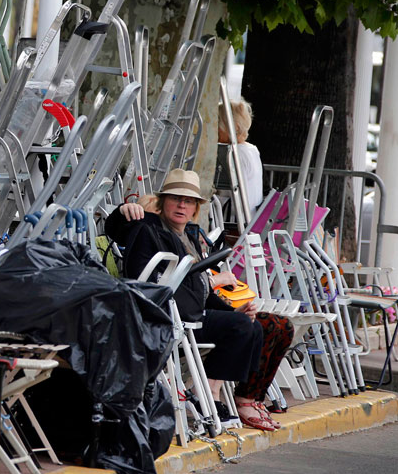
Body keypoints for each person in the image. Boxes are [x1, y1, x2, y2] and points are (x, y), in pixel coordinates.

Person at [106, 169, 294, 430]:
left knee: (269, 324)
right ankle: (211, 394)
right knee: (242, 327)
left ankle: (246, 398)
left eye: (189, 201)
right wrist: (123, 210)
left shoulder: (192, 237)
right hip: (167, 317)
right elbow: (117, 228)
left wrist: (233, 309)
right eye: (175, 198)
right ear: (162, 202)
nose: (182, 205)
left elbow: (200, 290)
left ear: (195, 208)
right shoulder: (148, 227)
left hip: (195, 313)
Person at [218, 98, 263, 220]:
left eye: (217, 124)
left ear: (231, 127)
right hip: (250, 217)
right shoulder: (251, 149)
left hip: (234, 220)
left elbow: (238, 197)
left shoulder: (234, 153)